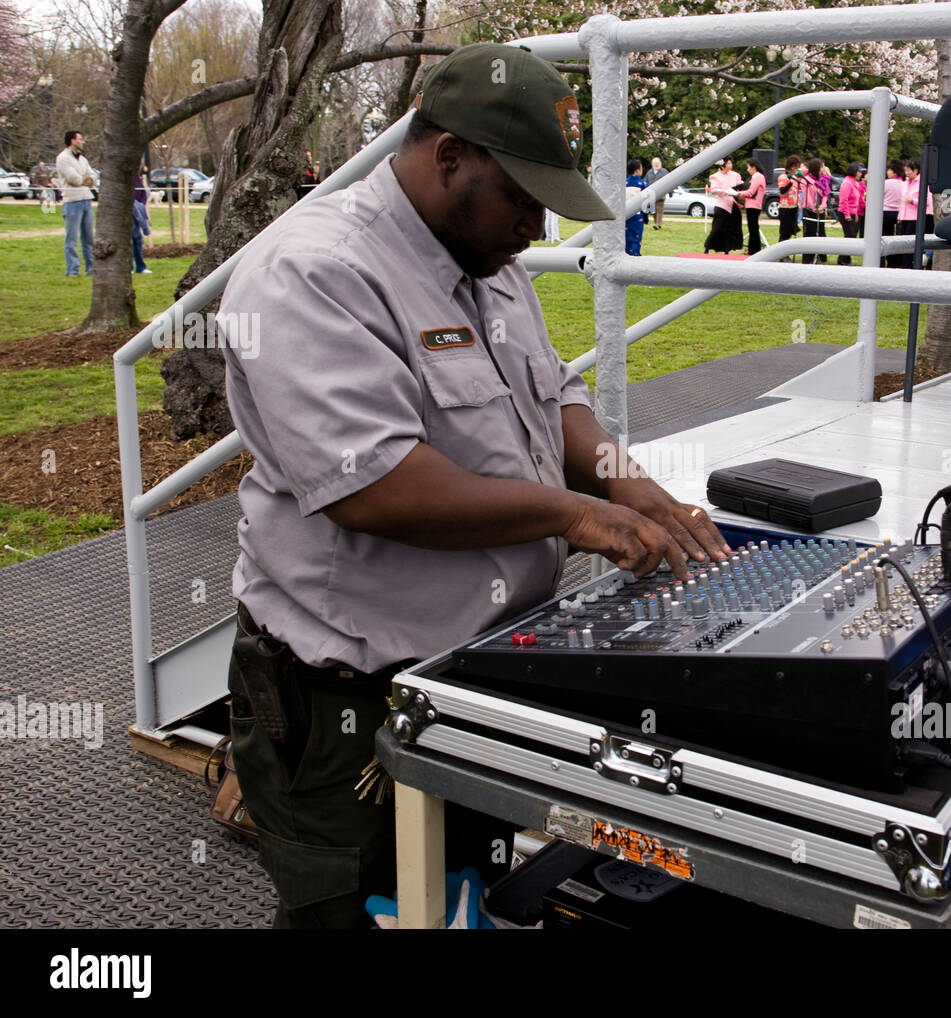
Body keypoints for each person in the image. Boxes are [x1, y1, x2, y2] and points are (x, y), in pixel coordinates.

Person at [217, 42, 730, 929]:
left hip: (477, 667)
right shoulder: (313, 271)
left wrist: (632, 488)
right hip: (348, 694)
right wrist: (580, 516)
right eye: (525, 200)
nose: (537, 228)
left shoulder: (484, 256)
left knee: (458, 891)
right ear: (448, 154)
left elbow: (553, 397)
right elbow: (375, 486)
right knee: (354, 907)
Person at [56, 130, 95, 276]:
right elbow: (74, 179)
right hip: (72, 202)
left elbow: (93, 177)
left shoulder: (83, 159)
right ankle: (73, 270)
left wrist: (88, 179)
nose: (83, 141)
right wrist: (83, 179)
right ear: (72, 141)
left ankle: (91, 269)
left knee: (89, 239)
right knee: (71, 239)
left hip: (86, 199)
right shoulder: (63, 158)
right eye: (80, 139)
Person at [898, 156, 934, 265]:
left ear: (916, 170)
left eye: (909, 170)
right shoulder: (905, 183)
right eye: (905, 170)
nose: (907, 173)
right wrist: (900, 216)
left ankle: (911, 265)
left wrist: (913, 200)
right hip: (905, 217)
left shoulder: (922, 183)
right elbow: (902, 202)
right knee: (903, 244)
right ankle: (905, 265)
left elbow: (927, 201)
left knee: (911, 245)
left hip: (915, 218)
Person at [703, 156, 743, 253]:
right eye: (727, 163)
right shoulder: (715, 176)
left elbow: (741, 185)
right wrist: (725, 191)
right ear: (722, 165)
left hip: (733, 204)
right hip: (722, 205)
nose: (730, 166)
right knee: (717, 228)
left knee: (731, 228)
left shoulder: (735, 175)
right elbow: (713, 189)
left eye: (730, 163)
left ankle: (727, 249)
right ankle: (708, 247)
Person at [799, 157, 832, 265]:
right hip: (809, 210)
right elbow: (807, 195)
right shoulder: (806, 180)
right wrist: (813, 207)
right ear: (816, 167)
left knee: (820, 233)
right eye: (821, 166)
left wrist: (823, 205)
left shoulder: (823, 179)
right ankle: (807, 258)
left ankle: (818, 257)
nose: (823, 168)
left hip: (820, 211)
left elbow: (825, 194)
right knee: (809, 234)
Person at [734, 158, 766, 256]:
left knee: (753, 229)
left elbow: (750, 192)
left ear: (753, 167)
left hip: (753, 206)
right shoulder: (758, 176)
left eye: (748, 167)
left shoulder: (757, 176)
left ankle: (754, 251)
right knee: (753, 228)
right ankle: (754, 250)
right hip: (753, 205)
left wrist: (737, 193)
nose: (748, 170)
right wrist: (740, 195)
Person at [836, 162, 865, 266]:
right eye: (859, 172)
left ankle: (844, 259)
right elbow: (843, 200)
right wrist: (847, 215)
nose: (861, 174)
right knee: (850, 236)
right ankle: (843, 259)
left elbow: (855, 201)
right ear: (854, 172)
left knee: (851, 236)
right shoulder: (847, 183)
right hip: (845, 214)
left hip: (852, 213)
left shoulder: (854, 183)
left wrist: (856, 214)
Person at [776, 155, 803, 257]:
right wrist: (790, 183)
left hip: (793, 208)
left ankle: (784, 254)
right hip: (785, 208)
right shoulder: (783, 177)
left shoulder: (795, 177)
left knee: (790, 232)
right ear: (792, 166)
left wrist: (799, 203)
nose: (797, 169)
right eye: (796, 167)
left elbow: (796, 192)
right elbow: (782, 191)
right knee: (784, 233)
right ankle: (781, 255)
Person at [882, 158, 906, 268]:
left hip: (885, 212)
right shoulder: (904, 184)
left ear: (893, 171)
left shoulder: (886, 183)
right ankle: (894, 263)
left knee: (883, 238)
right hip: (899, 213)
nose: (887, 172)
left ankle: (881, 261)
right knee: (896, 239)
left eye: (889, 169)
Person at [625, 157, 649, 256]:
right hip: (637, 215)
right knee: (636, 237)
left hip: (625, 215)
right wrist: (646, 216)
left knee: (626, 237)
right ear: (638, 170)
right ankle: (635, 254)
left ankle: (626, 253)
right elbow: (647, 201)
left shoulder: (624, 183)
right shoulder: (643, 184)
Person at [131, 160, 152, 274]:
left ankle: (140, 266)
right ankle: (129, 267)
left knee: (137, 239)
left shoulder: (138, 177)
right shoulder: (129, 177)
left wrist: (140, 206)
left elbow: (143, 194)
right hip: (129, 210)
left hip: (137, 209)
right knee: (131, 239)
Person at [644, 156, 669, 229]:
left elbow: (669, 182)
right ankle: (656, 223)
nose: (656, 165)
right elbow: (645, 181)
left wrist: (670, 192)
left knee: (659, 210)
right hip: (651, 195)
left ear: (660, 163)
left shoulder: (664, 172)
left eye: (657, 163)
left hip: (661, 194)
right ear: (652, 164)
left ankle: (658, 224)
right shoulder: (649, 172)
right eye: (655, 163)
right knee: (652, 211)